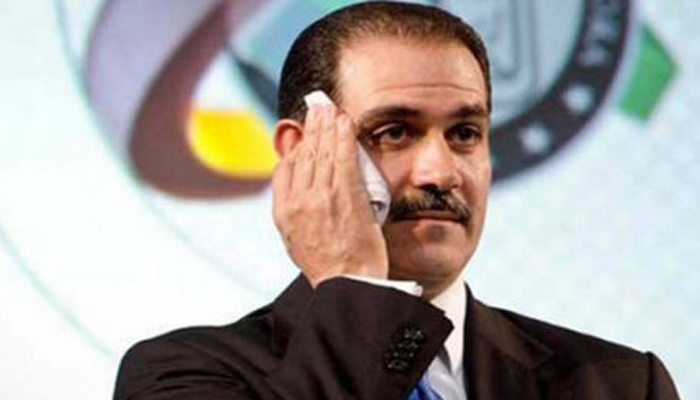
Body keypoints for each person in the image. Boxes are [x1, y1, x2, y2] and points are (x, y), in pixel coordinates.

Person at [113, 2, 680, 399]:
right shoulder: (177, 375)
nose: (440, 172)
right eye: (394, 133)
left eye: (464, 134)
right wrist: (356, 285)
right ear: (302, 151)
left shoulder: (625, 385)